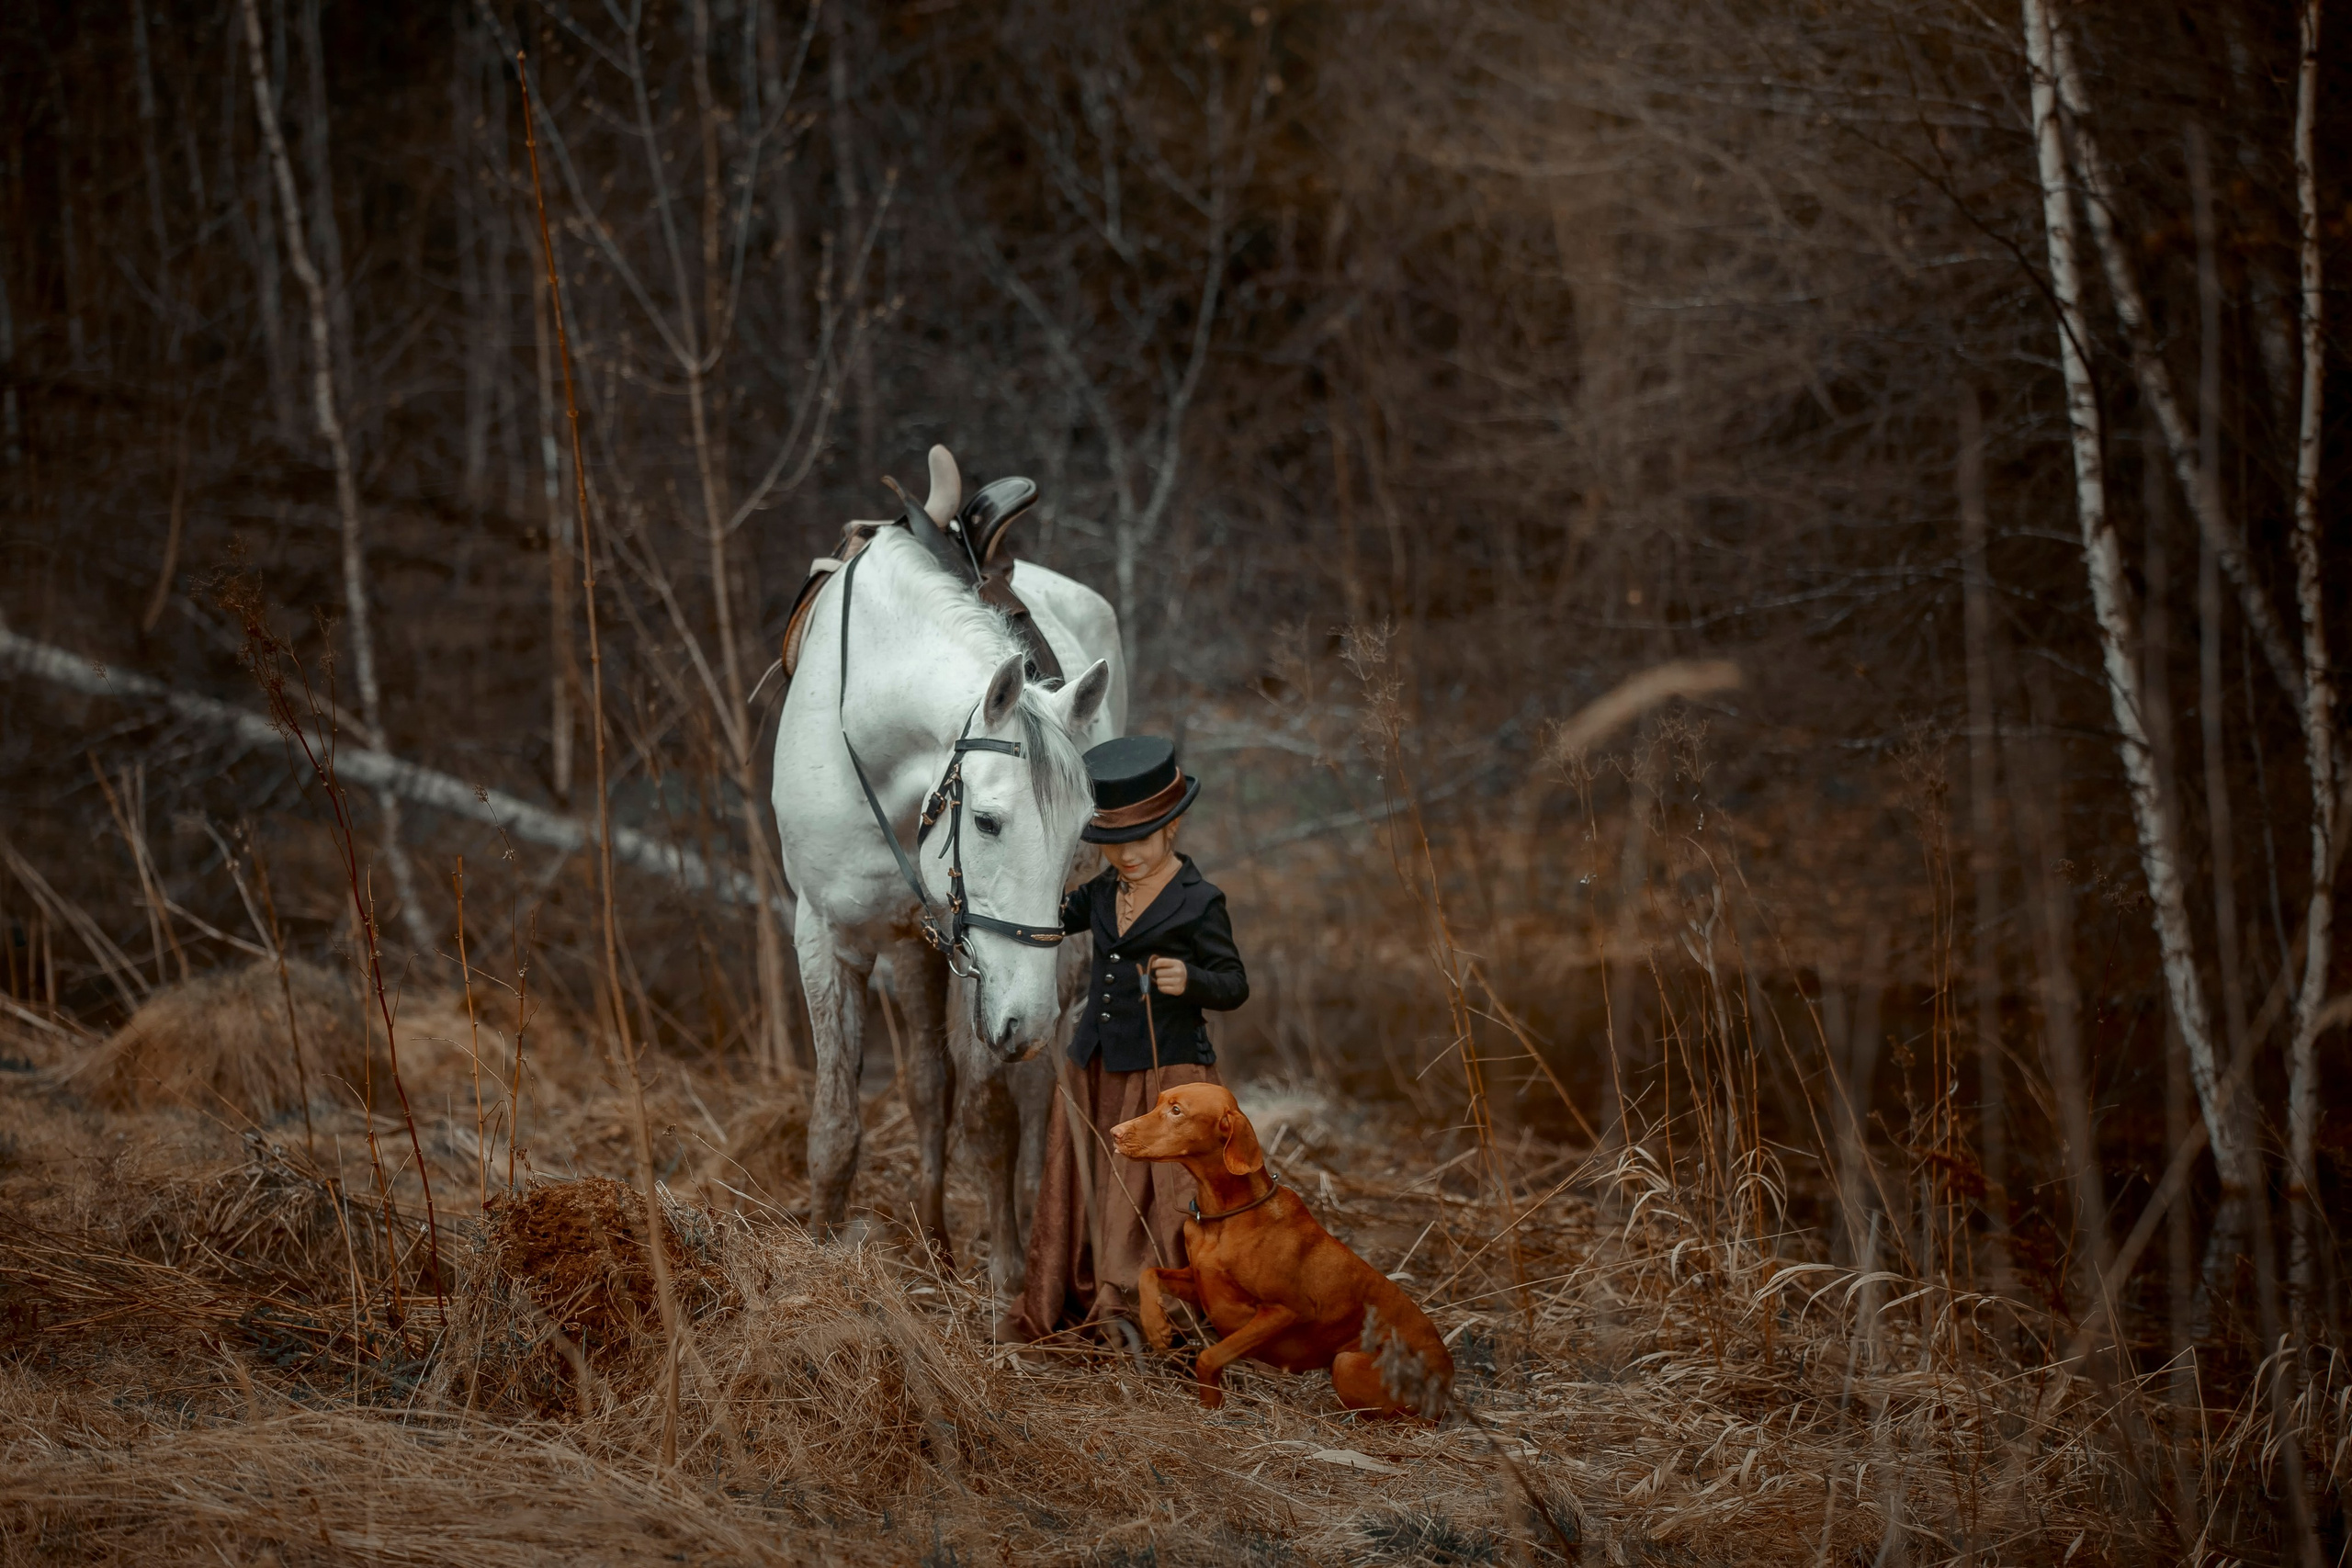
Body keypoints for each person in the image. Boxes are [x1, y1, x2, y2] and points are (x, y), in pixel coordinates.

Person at [999, 735, 1249, 1343]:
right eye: (1114, 844)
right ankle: (1088, 1292)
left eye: (1141, 839)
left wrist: (1191, 979)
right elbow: (1044, 921)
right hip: (1097, 1067)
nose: (1128, 855)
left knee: (1165, 1192)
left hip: (1168, 1076)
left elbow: (1234, 983)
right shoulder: (1103, 893)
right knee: (1096, 1181)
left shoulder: (1199, 901)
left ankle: (1162, 1308)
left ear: (1172, 826)